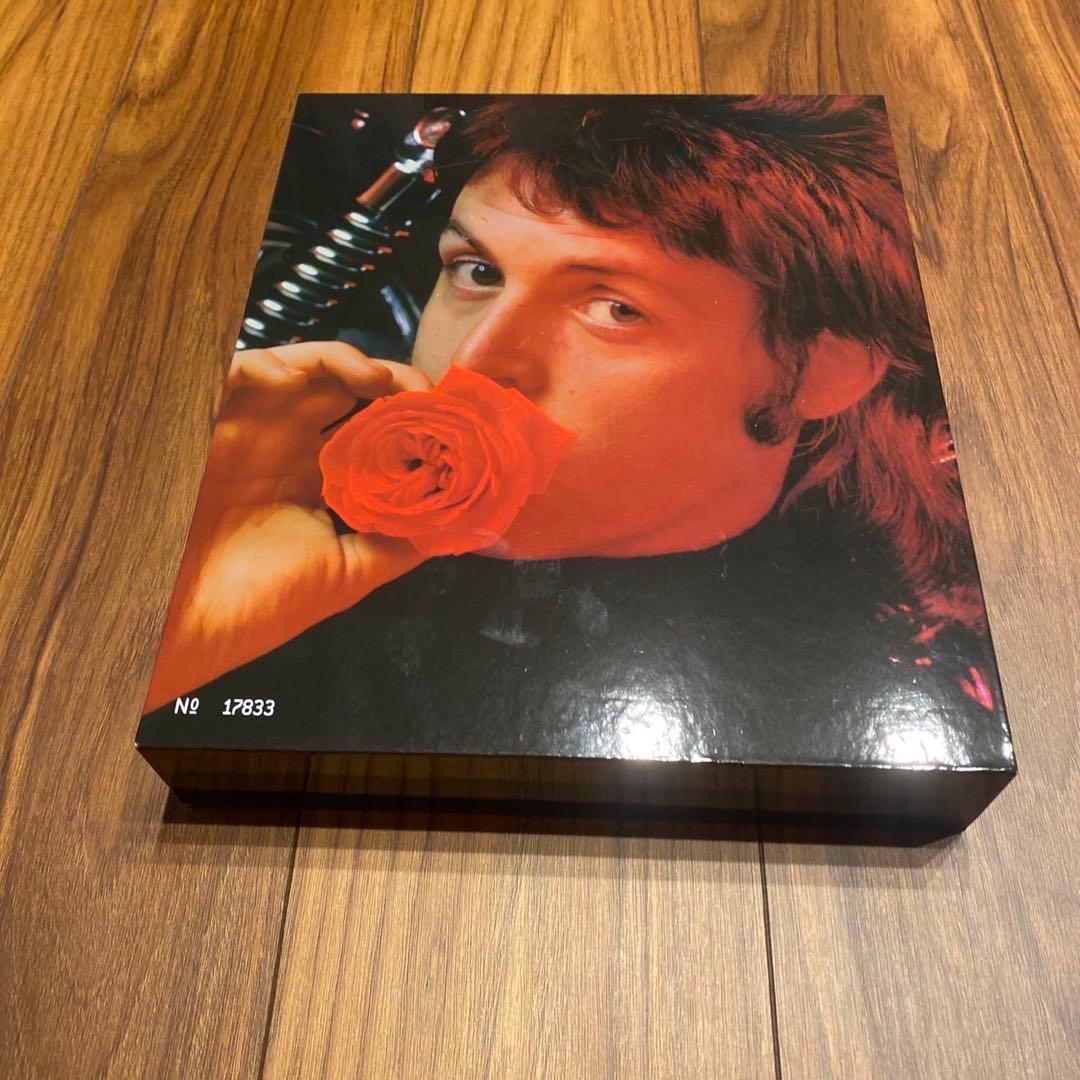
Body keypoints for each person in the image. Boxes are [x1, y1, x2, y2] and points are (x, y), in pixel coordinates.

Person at [142, 95, 993, 733]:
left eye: (616, 308)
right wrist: (180, 618)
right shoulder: (274, 528)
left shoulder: (898, 674)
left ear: (823, 370)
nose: (475, 365)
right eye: (477, 272)